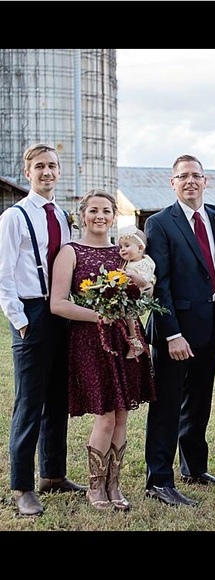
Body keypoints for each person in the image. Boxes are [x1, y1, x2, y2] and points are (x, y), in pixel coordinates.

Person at [50, 189, 156, 511]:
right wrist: (98, 315)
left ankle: (114, 485)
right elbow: (58, 304)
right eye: (94, 210)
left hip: (125, 340)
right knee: (106, 416)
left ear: (113, 216)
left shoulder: (123, 254)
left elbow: (142, 292)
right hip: (91, 341)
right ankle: (95, 486)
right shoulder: (70, 252)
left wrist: (143, 290)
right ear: (83, 214)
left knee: (122, 416)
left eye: (106, 211)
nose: (100, 216)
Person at [0, 143, 85, 517]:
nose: (47, 172)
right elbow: (3, 274)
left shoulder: (62, 216)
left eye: (52, 165)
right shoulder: (14, 217)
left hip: (61, 310)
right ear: (28, 172)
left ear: (59, 171)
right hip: (32, 312)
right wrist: (19, 320)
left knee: (58, 398)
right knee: (30, 402)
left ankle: (53, 474)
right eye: (39, 166)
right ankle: (22, 486)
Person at [143, 154, 215, 507]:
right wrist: (171, 334)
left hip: (209, 324)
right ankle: (158, 480)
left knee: (199, 402)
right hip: (175, 331)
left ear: (205, 181)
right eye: (183, 176)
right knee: (166, 406)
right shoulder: (160, 223)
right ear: (173, 183)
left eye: (196, 175)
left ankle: (194, 468)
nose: (190, 181)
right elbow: (160, 284)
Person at [118, 226, 157, 358]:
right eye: (121, 246)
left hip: (137, 297)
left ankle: (136, 342)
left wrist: (132, 275)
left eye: (126, 245)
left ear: (140, 248)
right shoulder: (127, 263)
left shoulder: (144, 263)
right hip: (126, 296)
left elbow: (144, 282)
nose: (122, 249)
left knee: (130, 316)